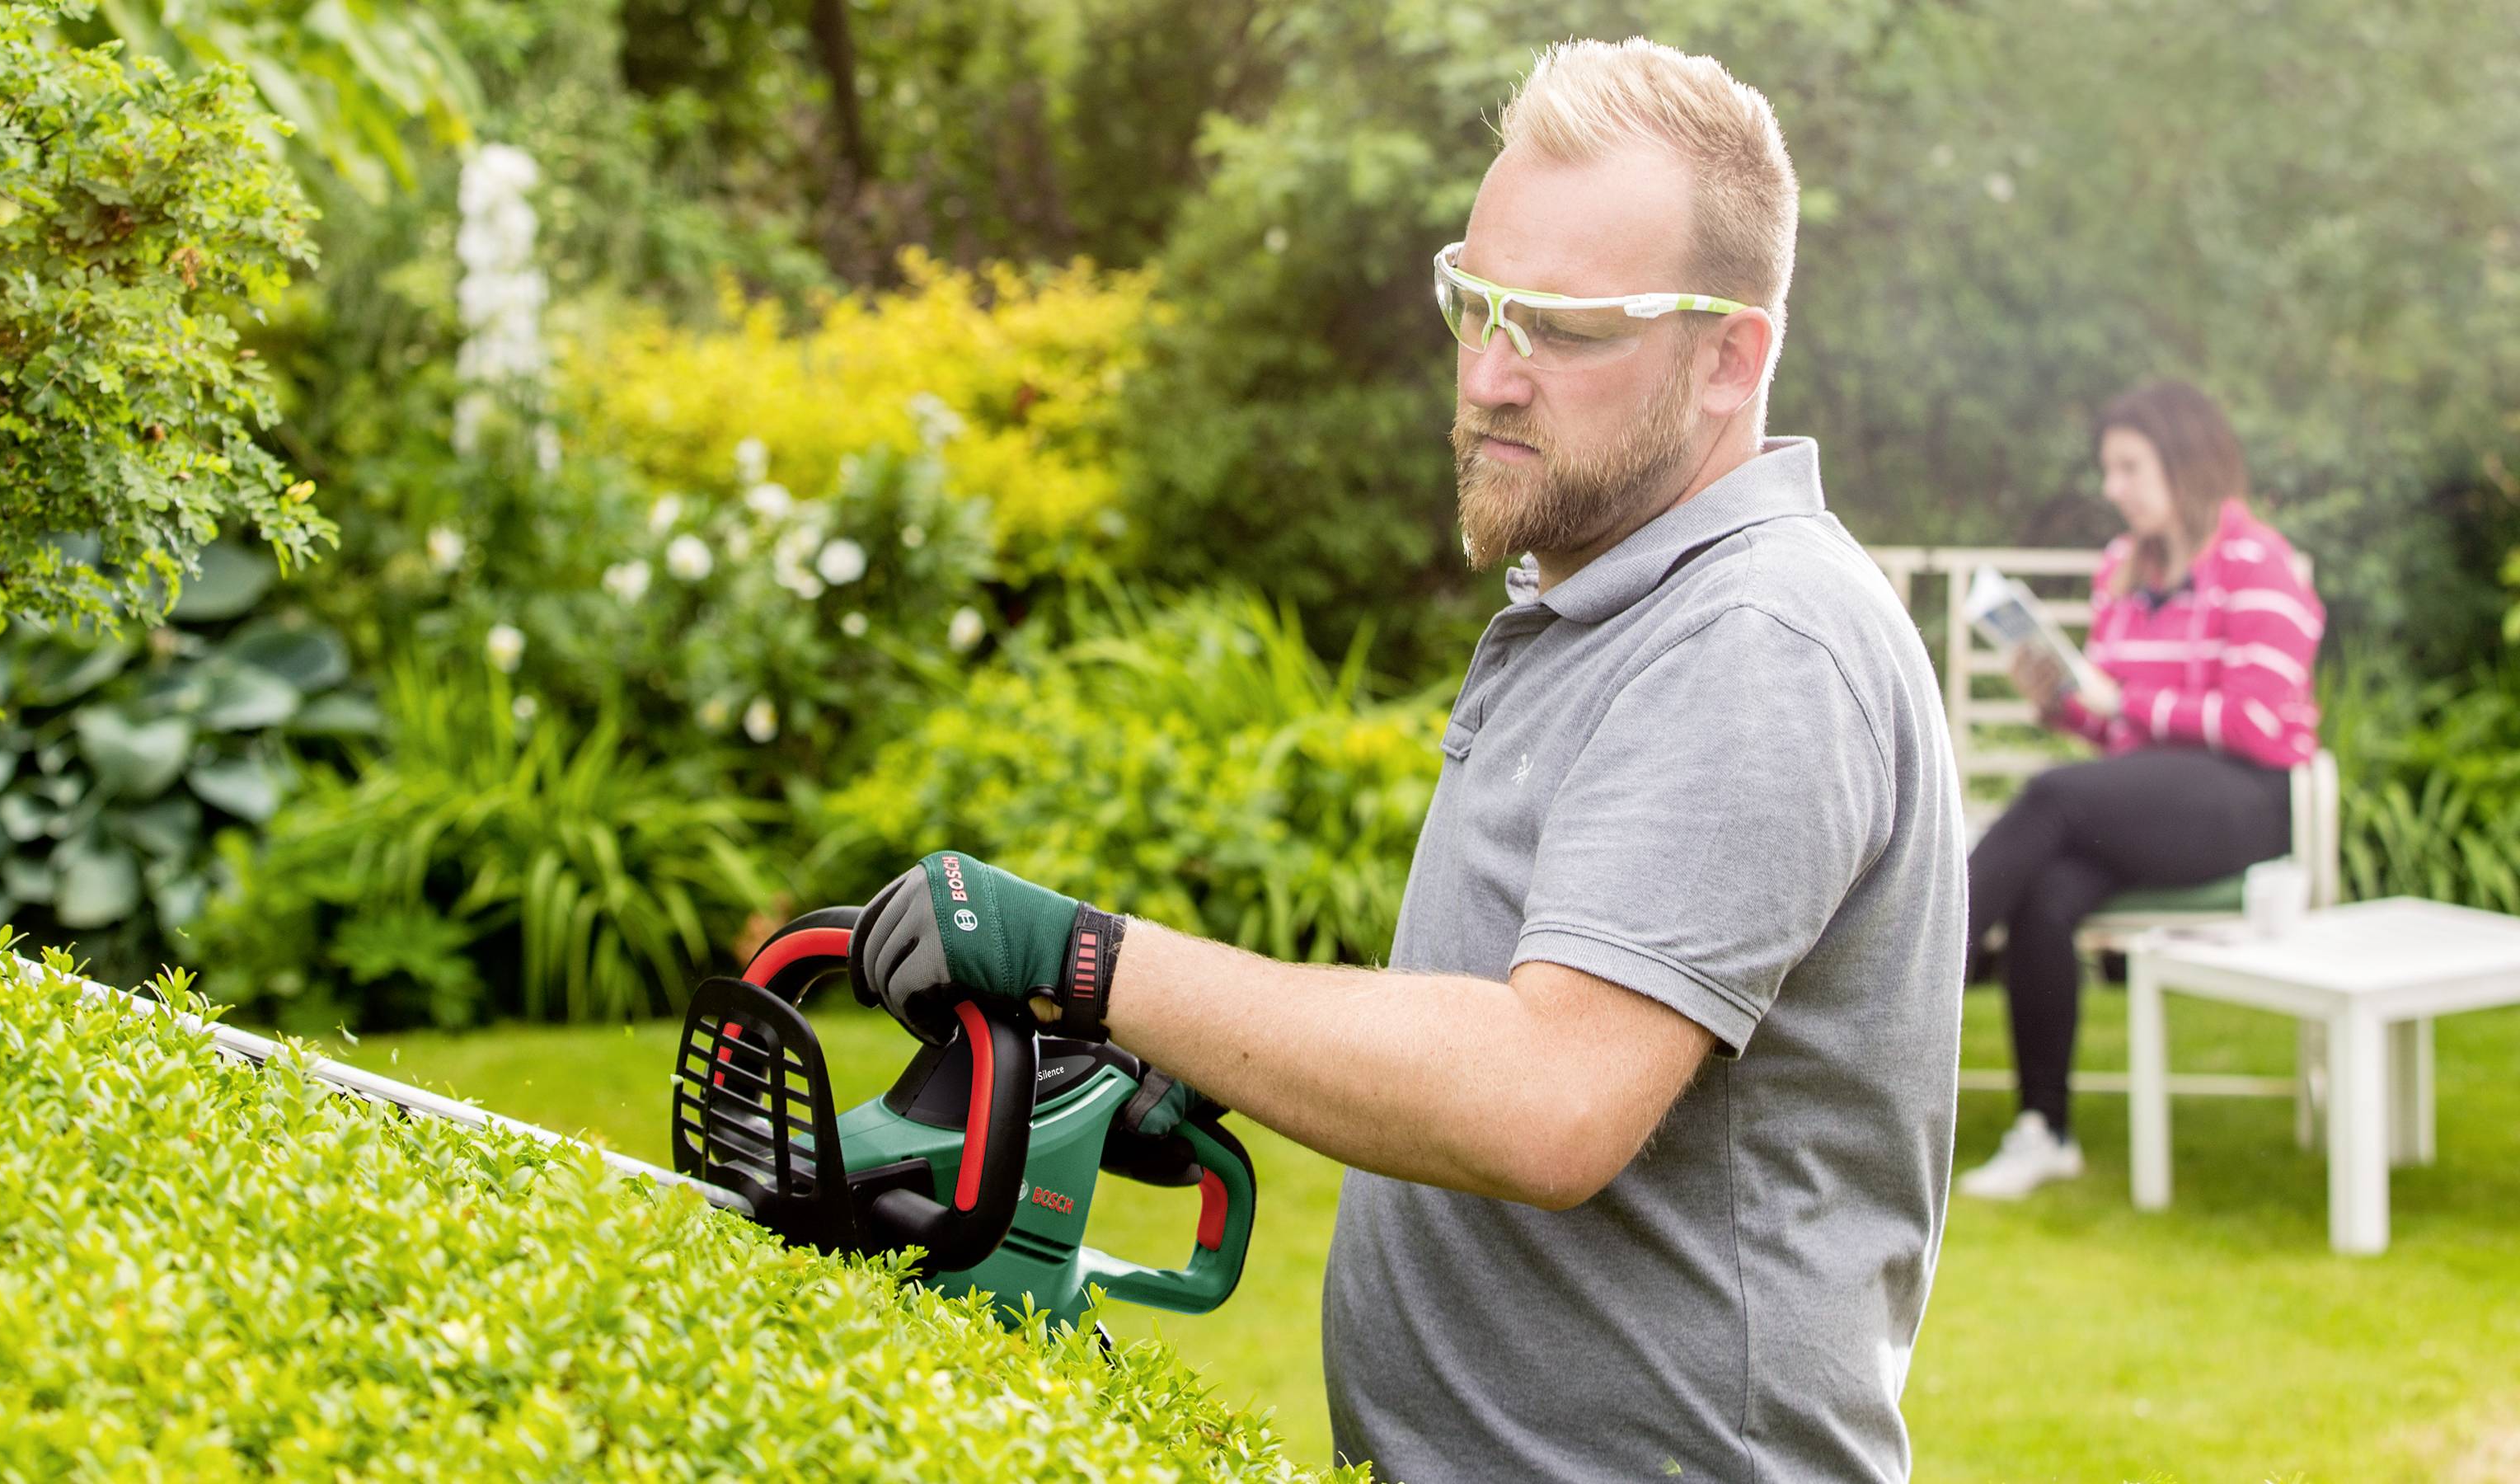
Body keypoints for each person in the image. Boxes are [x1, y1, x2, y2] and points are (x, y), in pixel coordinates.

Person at [846, 38, 1964, 1482]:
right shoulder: (1606, 597)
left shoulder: (1755, 642)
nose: (1491, 374)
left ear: (1727, 357)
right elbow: (1516, 1001)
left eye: (1560, 326)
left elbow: (1548, 1097)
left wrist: (1088, 964)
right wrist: (1204, 1052)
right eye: (1476, 300)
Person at [1956, 379, 2325, 1200]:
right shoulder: (2120, 573)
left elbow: (2261, 722)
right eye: (2107, 469)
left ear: (2183, 462)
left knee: (2050, 799)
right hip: (2146, 803)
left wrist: (2122, 703)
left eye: (2127, 467)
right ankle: (2041, 1130)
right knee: (2047, 892)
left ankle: (1916, 972)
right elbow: (2120, 733)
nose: (2110, 488)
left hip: (2245, 802)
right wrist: (2064, 703)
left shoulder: (2254, 565)